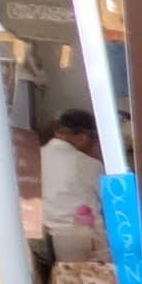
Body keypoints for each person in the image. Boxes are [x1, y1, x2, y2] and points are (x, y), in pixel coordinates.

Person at [37, 110, 109, 265]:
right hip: (81, 243)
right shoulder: (87, 163)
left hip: (41, 239)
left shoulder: (35, 156)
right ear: (84, 136)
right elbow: (112, 203)